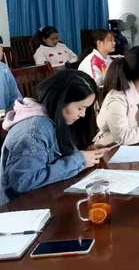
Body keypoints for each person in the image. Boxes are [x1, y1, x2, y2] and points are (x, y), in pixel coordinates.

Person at [0, 71, 109, 204]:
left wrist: (85, 153)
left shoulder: (53, 118)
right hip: (20, 207)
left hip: (46, 197)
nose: (83, 114)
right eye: (80, 108)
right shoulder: (33, 132)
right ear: (61, 101)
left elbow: (53, 157)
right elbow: (24, 182)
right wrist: (79, 160)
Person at [0, 36, 21, 111]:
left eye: (1, 48)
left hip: (8, 113)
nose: (2, 51)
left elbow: (15, 95)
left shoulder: (4, 68)